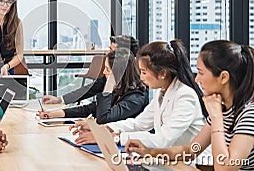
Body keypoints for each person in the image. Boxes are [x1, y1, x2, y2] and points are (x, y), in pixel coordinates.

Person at [126, 40, 254, 170]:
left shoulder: (248, 115)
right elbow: (190, 151)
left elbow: (225, 167)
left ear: (223, 77)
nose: (197, 79)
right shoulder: (223, 110)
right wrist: (149, 151)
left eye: (201, 72)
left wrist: (216, 117)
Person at [72, 39, 208, 150]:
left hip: (190, 164)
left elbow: (162, 140)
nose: (141, 78)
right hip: (169, 160)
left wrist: (112, 137)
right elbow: (139, 124)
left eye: (144, 72)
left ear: (162, 74)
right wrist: (102, 129)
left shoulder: (185, 96)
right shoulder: (163, 93)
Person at [38, 48, 148, 124]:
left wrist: (108, 87)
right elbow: (90, 109)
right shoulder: (120, 90)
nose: (104, 72)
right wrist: (55, 114)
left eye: (107, 69)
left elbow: (103, 119)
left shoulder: (135, 98)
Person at [42, 35, 139, 105]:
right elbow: (89, 89)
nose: (107, 52)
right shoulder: (111, 75)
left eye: (111, 50)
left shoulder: (136, 85)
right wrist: (60, 99)